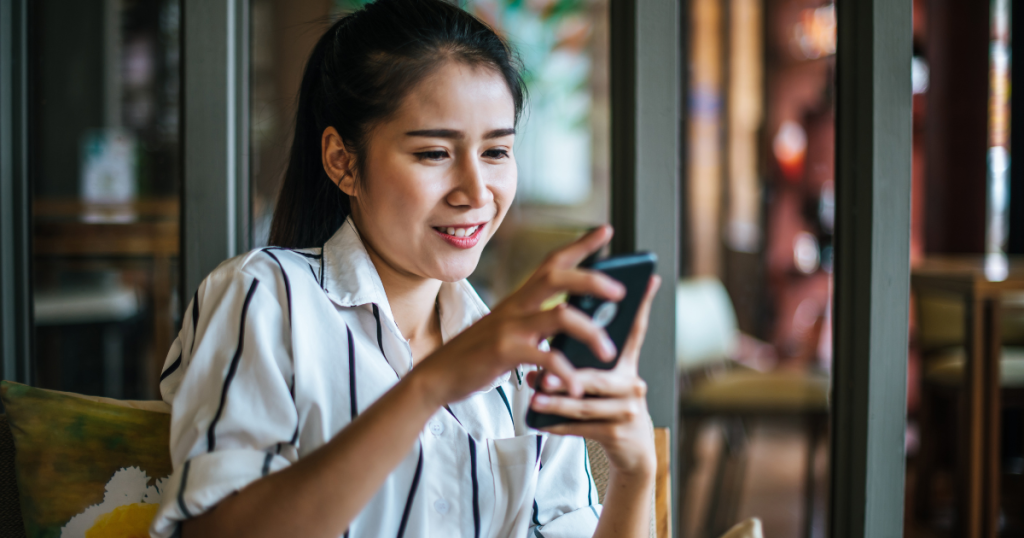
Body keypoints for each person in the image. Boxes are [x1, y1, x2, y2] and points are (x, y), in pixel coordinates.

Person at [151, 1, 661, 537]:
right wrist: (429, 386)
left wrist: (635, 470)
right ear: (343, 161)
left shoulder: (524, 362)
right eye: (435, 153)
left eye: (495, 152)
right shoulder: (264, 299)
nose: (475, 191)